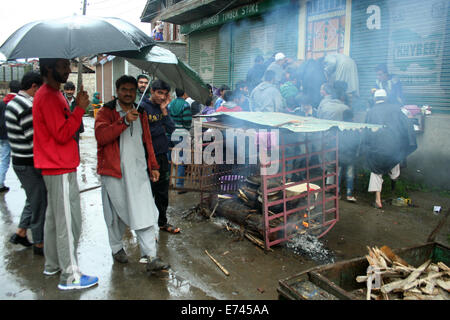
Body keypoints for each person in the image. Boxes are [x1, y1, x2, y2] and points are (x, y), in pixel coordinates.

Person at [33, 58, 98, 290]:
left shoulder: (53, 93)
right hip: (58, 166)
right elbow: (62, 134)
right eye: (63, 65)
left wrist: (75, 109)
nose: (68, 70)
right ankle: (70, 276)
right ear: (49, 68)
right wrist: (80, 108)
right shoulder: (49, 96)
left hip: (58, 164)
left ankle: (53, 264)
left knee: (54, 219)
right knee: (68, 223)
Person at [95, 75, 170, 273]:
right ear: (117, 91)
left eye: (131, 89)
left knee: (143, 210)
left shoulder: (141, 111)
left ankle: (151, 256)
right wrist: (124, 121)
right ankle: (116, 248)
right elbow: (101, 137)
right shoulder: (106, 112)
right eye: (124, 89)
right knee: (116, 214)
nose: (128, 93)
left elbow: (147, 141)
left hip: (138, 172)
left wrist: (153, 165)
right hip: (114, 172)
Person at [6, 71, 47, 255]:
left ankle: (21, 232)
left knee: (32, 199)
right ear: (34, 87)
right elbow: (34, 140)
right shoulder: (26, 106)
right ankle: (39, 243)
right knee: (39, 202)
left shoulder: (13, 102)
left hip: (19, 160)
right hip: (28, 162)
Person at [363, 89, 417, 209]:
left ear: (375, 99)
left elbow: (367, 131)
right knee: (394, 164)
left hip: (378, 149)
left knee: (376, 172)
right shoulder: (396, 109)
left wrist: (366, 145)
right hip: (394, 147)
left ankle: (378, 200)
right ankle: (395, 189)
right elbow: (407, 123)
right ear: (386, 98)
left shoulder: (371, 112)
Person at [141, 79, 180, 235]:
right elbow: (145, 134)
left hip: (163, 155)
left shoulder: (162, 108)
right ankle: (146, 225)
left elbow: (171, 128)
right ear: (152, 91)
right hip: (147, 157)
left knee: (163, 191)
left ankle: (162, 222)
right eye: (159, 93)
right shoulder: (143, 107)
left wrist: (164, 111)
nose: (162, 97)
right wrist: (159, 130)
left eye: (165, 94)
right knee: (147, 191)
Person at [169, 88, 192, 189]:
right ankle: (179, 185)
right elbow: (187, 121)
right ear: (184, 93)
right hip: (182, 135)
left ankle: (169, 182)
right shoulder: (185, 105)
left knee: (169, 160)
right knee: (181, 159)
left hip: (170, 134)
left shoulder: (170, 104)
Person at [0, 80, 20, 193]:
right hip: (17, 135)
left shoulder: (2, 103)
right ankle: (25, 183)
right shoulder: (20, 102)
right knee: (22, 161)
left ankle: (0, 183)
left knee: (4, 160)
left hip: (3, 135)